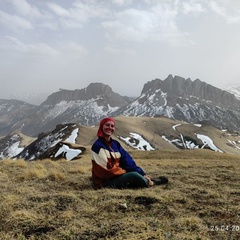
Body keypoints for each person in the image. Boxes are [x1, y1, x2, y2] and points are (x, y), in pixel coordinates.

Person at [91, 117, 168, 189]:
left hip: (117, 176)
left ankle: (146, 179)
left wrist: (142, 174)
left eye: (112, 126)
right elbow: (105, 171)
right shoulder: (97, 146)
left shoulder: (115, 144)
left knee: (135, 174)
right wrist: (125, 172)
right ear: (101, 127)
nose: (110, 128)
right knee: (134, 176)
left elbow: (127, 161)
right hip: (105, 182)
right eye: (107, 125)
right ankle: (152, 183)